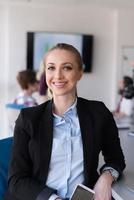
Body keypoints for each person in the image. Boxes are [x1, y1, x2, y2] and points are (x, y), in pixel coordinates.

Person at [5, 43, 126, 200]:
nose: (58, 75)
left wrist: (106, 177)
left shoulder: (98, 113)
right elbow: (16, 180)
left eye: (67, 67)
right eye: (51, 68)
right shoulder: (28, 118)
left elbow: (116, 159)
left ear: (80, 73)